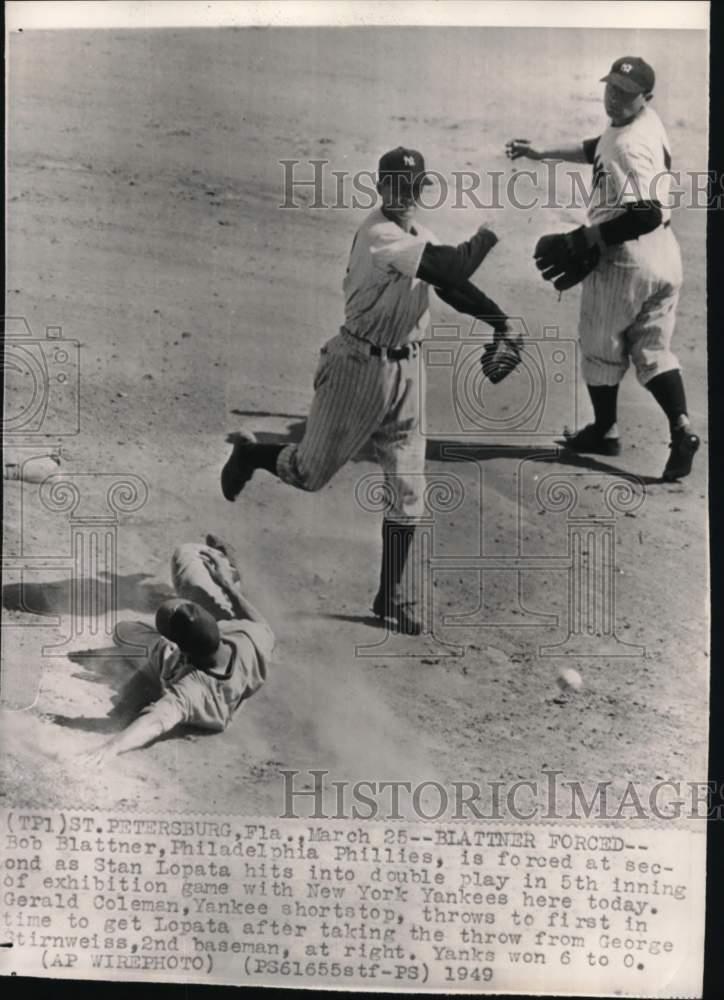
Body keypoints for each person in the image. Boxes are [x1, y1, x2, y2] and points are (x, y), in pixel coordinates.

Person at [221, 146, 514, 635]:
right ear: (380, 189)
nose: (401, 196)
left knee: (408, 489)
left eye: (410, 187)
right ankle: (253, 456)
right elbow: (454, 268)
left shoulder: (418, 235)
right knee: (309, 473)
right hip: (356, 366)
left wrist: (499, 322)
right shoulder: (379, 234)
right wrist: (489, 232)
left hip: (407, 375)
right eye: (393, 186)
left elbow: (451, 288)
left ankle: (389, 598)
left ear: (420, 190)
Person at [506, 56, 700, 482]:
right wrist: (544, 153)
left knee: (600, 345)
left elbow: (645, 213)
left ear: (645, 97)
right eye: (611, 88)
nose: (614, 98)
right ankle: (682, 428)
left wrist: (586, 239)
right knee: (653, 349)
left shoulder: (631, 147)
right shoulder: (644, 123)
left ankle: (604, 430)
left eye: (624, 94)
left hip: (626, 259)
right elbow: (599, 147)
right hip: (666, 257)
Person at [78, 535, 274, 766]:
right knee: (188, 552)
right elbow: (260, 622)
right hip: (215, 633)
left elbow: (155, 722)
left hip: (173, 660)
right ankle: (229, 576)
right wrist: (227, 585)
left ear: (183, 653)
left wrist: (112, 747)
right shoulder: (251, 639)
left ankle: (164, 640)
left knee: (123, 631)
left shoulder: (192, 689)